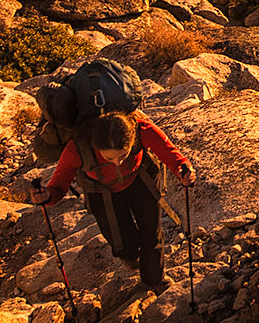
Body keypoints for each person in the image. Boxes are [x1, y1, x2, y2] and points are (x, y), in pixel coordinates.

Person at [33, 107, 192, 291]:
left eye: (123, 155)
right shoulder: (78, 148)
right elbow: (58, 186)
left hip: (140, 181)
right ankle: (131, 256)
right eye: (109, 157)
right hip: (101, 192)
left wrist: (184, 169)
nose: (118, 162)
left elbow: (171, 153)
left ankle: (154, 281)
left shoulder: (141, 129)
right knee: (123, 245)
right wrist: (47, 196)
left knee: (152, 235)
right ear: (95, 145)